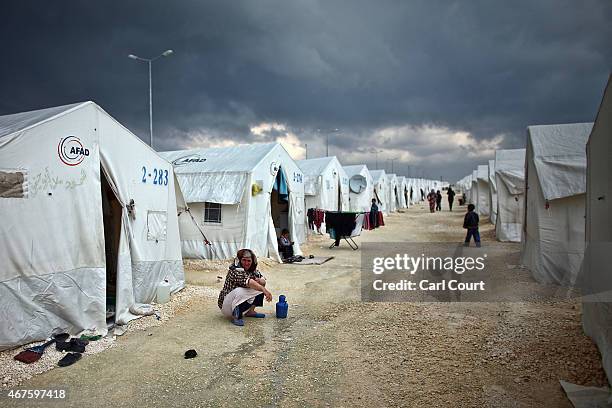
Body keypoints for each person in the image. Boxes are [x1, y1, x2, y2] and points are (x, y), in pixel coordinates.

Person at [218, 249, 273, 326]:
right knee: (241, 290)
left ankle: (250, 311)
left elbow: (263, 281)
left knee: (259, 286)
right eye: (244, 260)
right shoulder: (234, 270)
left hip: (237, 302)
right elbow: (248, 281)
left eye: (249, 261)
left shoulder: (253, 270)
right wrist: (264, 290)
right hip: (226, 305)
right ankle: (236, 316)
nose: (246, 263)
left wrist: (260, 281)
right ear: (239, 260)